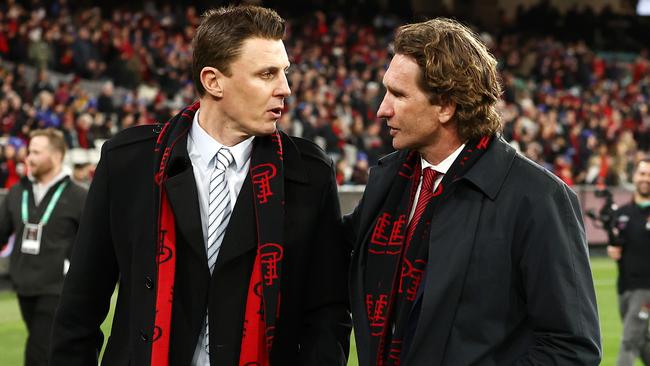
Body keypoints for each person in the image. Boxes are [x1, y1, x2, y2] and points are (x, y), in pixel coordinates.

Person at [50, 5, 350, 366]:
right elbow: (81, 305)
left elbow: (327, 313)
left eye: (284, 72)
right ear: (213, 81)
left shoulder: (309, 173)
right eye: (267, 74)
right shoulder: (129, 162)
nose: (285, 88)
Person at [344, 18, 601, 365]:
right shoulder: (391, 179)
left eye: (399, 94)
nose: (382, 109)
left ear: (446, 105)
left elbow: (571, 349)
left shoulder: (538, 198)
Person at [0, 128, 87, 366]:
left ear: (57, 156)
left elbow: (91, 243)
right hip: (24, 285)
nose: (29, 157)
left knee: (38, 351)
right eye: (29, 151)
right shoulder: (17, 193)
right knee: (47, 348)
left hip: (57, 287)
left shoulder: (79, 196)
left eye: (36, 152)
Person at [607, 157, 650, 366]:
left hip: (646, 288)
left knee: (629, 341)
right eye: (642, 173)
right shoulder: (622, 213)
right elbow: (616, 244)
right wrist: (612, 249)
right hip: (624, 287)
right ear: (634, 176)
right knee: (641, 341)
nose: (646, 179)